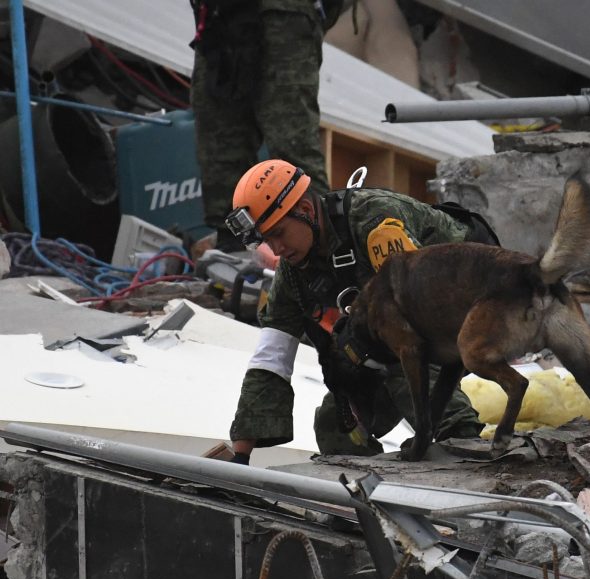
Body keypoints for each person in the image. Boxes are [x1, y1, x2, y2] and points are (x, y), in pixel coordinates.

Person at [225, 158, 495, 464]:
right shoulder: (293, 272)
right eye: (266, 240)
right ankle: (368, 492)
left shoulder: (375, 222)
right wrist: (240, 457)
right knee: (336, 419)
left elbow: (418, 320)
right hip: (420, 322)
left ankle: (465, 445)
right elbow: (271, 358)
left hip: (481, 303)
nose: (275, 250)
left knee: (399, 363)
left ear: (305, 210)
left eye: (279, 233)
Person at [188, 0, 342, 252]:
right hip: (219, 13)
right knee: (220, 139)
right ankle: (233, 245)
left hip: (284, 12)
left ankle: (323, 251)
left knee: (291, 140)